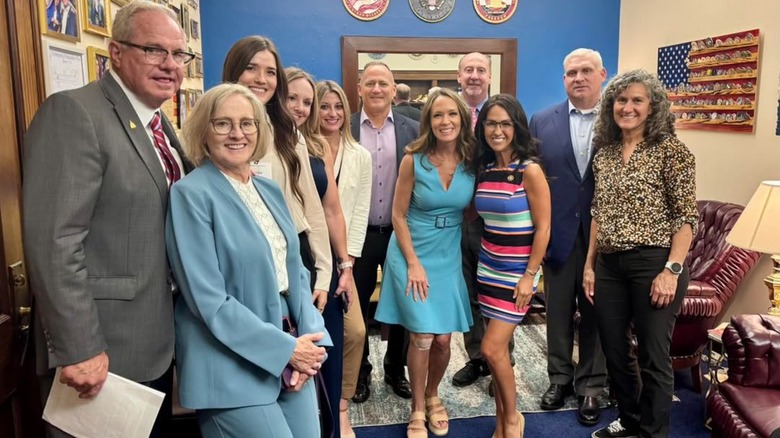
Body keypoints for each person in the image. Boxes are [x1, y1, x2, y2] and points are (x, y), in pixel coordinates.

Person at [23, 3, 193, 437]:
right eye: (154, 50)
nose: (170, 65)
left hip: (153, 343)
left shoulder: (159, 125)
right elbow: (55, 240)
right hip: (100, 353)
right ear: (115, 53)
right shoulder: (76, 113)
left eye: (179, 54)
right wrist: (79, 348)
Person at [167, 83, 331, 438]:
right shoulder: (190, 195)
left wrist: (310, 343)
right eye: (222, 123)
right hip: (229, 365)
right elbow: (209, 301)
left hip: (291, 351)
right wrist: (288, 350)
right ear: (203, 132)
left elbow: (296, 274)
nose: (237, 133)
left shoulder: (267, 188)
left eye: (247, 123)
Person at [584, 69, 697, 438]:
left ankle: (653, 432)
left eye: (637, 100)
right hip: (609, 266)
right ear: (611, 106)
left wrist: (672, 270)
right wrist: (589, 265)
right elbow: (598, 213)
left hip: (654, 263)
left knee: (653, 356)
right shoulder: (606, 153)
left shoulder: (672, 151)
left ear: (652, 107)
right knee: (615, 352)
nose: (627, 107)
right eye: (621, 100)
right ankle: (630, 420)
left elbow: (685, 217)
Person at [375, 87, 475, 438]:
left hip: (448, 254)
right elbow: (398, 215)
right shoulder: (412, 159)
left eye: (451, 114)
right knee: (421, 337)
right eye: (437, 115)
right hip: (411, 251)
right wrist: (413, 262)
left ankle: (434, 394)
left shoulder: (473, 160)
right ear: (428, 121)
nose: (445, 121)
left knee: (444, 340)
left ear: (462, 118)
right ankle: (417, 405)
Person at [222, 36, 333, 315]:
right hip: (238, 262)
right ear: (233, 70)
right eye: (251, 68)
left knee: (300, 350)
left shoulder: (288, 133)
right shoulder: (213, 131)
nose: (261, 79)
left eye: (270, 72)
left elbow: (311, 206)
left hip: (293, 256)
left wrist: (324, 271)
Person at [529, 48, 608, 425]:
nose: (579, 77)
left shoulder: (620, 118)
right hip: (557, 233)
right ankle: (559, 378)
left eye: (586, 70)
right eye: (572, 72)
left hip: (604, 237)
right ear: (564, 79)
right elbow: (532, 180)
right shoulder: (542, 121)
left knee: (595, 312)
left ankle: (590, 386)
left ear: (602, 74)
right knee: (557, 310)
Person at [471, 94, 550, 438]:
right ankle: (502, 422)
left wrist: (530, 276)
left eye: (505, 123)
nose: (498, 130)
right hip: (488, 269)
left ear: (516, 126)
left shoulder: (529, 170)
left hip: (518, 274)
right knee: (497, 352)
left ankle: (514, 418)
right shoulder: (486, 170)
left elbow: (544, 228)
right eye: (491, 123)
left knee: (490, 348)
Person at [285, 66, 355, 438]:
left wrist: (343, 265)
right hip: (284, 261)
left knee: (328, 351)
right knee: (294, 361)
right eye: (291, 97)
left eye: (305, 101)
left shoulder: (315, 145)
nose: (299, 107)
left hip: (320, 261)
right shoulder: (262, 142)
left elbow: (332, 209)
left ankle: (330, 426)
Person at [350, 61, 419, 403]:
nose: (377, 89)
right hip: (356, 236)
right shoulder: (343, 127)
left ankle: (396, 370)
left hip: (399, 233)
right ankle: (360, 373)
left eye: (383, 83)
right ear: (359, 88)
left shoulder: (415, 128)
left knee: (403, 306)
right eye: (370, 83)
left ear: (394, 90)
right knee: (355, 306)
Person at [452, 51, 517, 390]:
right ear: (458, 76)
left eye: (480, 70)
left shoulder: (499, 116)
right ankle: (477, 357)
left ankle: (504, 359)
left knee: (498, 294)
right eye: (468, 70)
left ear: (489, 76)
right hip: (455, 220)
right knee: (469, 294)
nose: (474, 75)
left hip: (494, 221)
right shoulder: (447, 113)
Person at [316, 79, 373, 438]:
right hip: (307, 256)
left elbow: (359, 212)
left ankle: (341, 404)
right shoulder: (299, 147)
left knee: (355, 331)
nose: (332, 113)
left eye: (338, 106)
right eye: (324, 106)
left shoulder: (360, 155)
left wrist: (346, 265)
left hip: (343, 259)